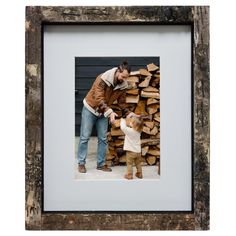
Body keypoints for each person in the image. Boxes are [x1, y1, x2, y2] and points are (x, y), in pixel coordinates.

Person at [77, 61, 138, 173]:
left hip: (104, 112)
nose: (124, 79)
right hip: (90, 109)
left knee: (103, 139)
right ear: (118, 71)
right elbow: (98, 97)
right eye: (123, 76)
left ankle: (100, 164)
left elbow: (122, 102)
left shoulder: (123, 85)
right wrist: (109, 112)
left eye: (126, 77)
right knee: (84, 137)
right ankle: (81, 163)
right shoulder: (102, 78)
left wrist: (129, 113)